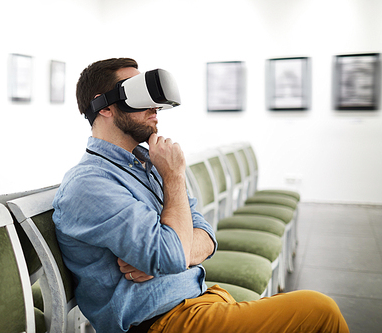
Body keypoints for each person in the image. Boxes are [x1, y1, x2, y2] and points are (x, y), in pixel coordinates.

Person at [52, 58, 349, 333]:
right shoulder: (90, 183)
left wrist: (176, 254)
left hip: (199, 299)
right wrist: (174, 178)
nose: (155, 106)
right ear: (103, 106)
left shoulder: (146, 165)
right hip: (164, 322)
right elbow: (172, 253)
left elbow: (205, 233)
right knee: (321, 310)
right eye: (138, 95)